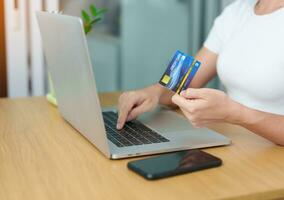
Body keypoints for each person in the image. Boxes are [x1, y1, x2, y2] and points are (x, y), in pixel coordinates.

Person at [116, 0, 284, 146]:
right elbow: (188, 77)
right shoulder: (236, 12)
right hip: (238, 144)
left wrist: (235, 113)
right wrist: (153, 92)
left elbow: (235, 114)